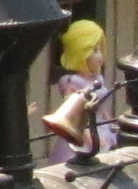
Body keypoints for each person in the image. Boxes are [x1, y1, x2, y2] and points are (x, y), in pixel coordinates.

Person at [45, 18, 117, 163]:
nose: (100, 57)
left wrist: (111, 123)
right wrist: (90, 138)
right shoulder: (73, 83)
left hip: (100, 129)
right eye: (94, 51)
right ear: (81, 54)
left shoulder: (98, 80)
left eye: (100, 50)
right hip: (82, 135)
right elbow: (72, 117)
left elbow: (102, 109)